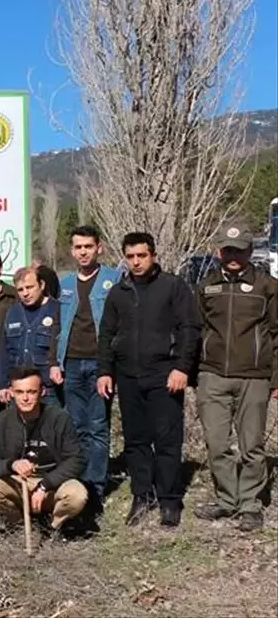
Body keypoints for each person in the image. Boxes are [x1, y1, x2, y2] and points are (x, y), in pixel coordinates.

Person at [98, 232, 200, 527]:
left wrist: (182, 368)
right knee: (136, 440)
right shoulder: (119, 292)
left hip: (165, 375)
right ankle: (142, 495)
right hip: (129, 377)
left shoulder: (172, 286)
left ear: (153, 255)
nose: (136, 262)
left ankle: (169, 499)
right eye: (130, 257)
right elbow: (106, 333)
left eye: (142, 255)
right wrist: (106, 371)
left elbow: (189, 329)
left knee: (167, 439)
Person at [193, 221, 278, 532]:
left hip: (254, 378)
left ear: (250, 251)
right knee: (216, 444)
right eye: (228, 250)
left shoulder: (267, 287)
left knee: (252, 445)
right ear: (219, 251)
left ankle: (251, 504)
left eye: (239, 251)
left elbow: (276, 332)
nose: (233, 256)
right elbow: (197, 329)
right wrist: (195, 373)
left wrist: (275, 378)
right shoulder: (206, 287)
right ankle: (228, 501)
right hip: (212, 376)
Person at [52, 226, 120, 506]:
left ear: (99, 248)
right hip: (71, 363)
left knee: (98, 427)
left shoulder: (113, 279)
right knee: (77, 426)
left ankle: (96, 487)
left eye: (88, 246)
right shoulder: (65, 284)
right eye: (78, 247)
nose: (83, 252)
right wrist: (55, 363)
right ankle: (78, 485)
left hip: (100, 364)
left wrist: (111, 367)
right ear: (72, 250)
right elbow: (57, 325)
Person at [0, 367, 87, 531]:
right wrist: (11, 465)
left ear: (42, 391)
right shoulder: (0, 421)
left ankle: (52, 525)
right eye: (19, 392)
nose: (25, 398)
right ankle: (19, 523)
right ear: (11, 392)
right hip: (17, 483)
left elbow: (76, 460)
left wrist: (45, 485)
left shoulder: (59, 418)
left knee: (77, 495)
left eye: (31, 392)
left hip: (52, 482)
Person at [0, 268, 61, 407]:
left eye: (30, 287)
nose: (25, 293)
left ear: (42, 285)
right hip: (18, 390)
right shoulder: (13, 312)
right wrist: (3, 384)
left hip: (48, 391)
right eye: (20, 290)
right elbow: (5, 352)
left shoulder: (57, 309)